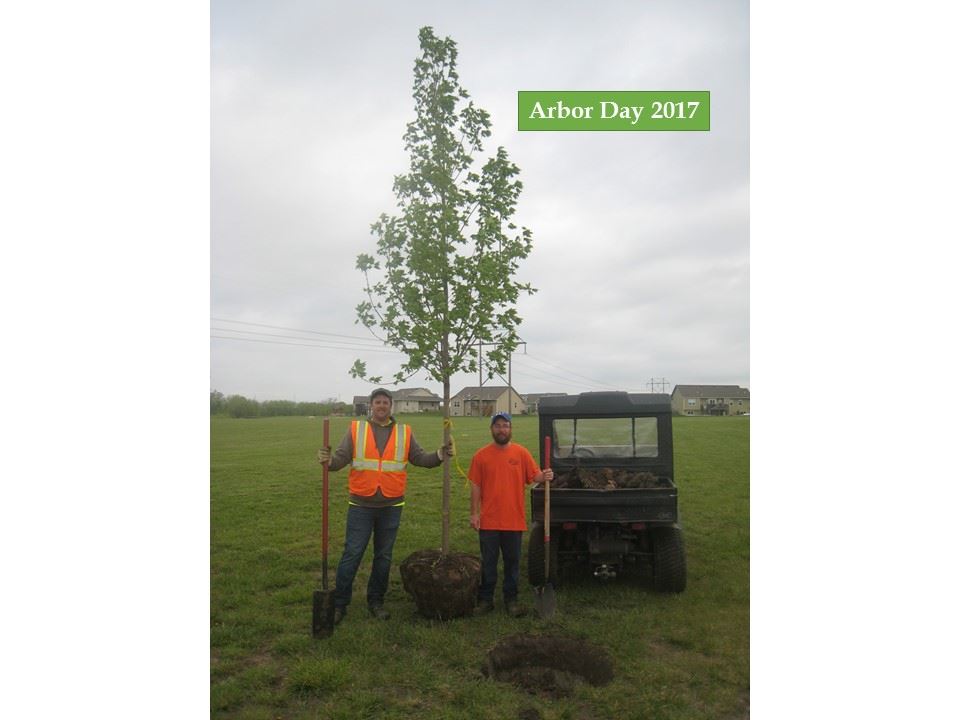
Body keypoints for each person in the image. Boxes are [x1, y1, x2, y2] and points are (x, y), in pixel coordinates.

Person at [317, 388, 452, 623]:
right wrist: (327, 461)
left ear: (391, 406)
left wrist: (440, 454)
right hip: (361, 504)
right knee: (352, 553)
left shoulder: (404, 432)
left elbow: (420, 459)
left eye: (385, 402)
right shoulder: (356, 429)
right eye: (377, 402)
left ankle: (376, 601)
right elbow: (338, 460)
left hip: (391, 504)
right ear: (371, 405)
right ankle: (339, 603)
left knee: (383, 556)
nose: (381, 406)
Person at [469, 412, 553, 617]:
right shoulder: (481, 456)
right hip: (489, 520)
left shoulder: (521, 453)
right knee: (488, 562)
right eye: (497, 425)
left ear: (510, 429)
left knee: (512, 563)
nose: (501, 429)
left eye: (505, 425)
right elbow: (475, 486)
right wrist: (474, 513)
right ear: (491, 429)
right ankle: (486, 599)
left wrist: (545, 475)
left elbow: (534, 476)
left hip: (514, 520)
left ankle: (511, 600)